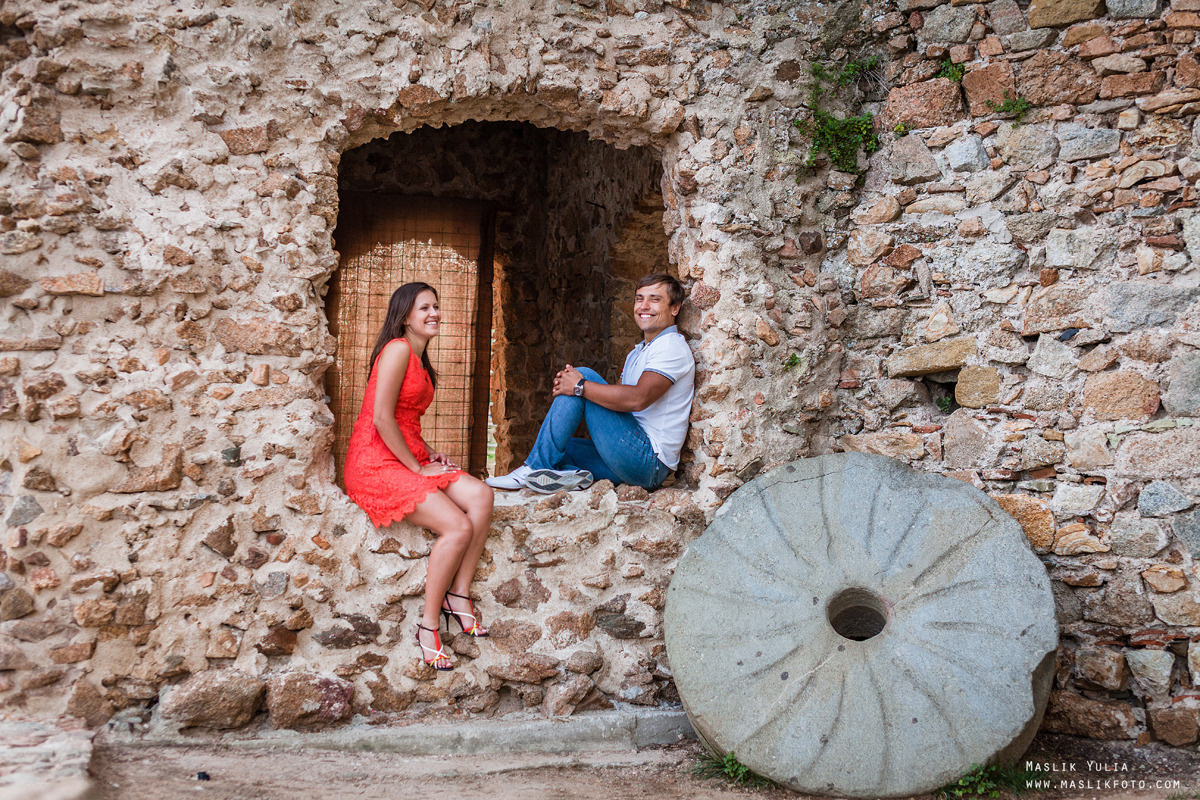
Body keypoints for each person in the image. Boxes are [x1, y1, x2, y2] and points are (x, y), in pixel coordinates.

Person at [342, 282, 494, 672]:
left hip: (406, 454)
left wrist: (426, 452)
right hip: (375, 462)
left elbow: (405, 418)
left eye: (437, 307)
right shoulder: (396, 349)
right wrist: (416, 466)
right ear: (404, 315)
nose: (434, 314)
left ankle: (458, 594)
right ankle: (428, 625)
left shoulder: (419, 357)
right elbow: (380, 418)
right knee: (457, 527)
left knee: (481, 495)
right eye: (424, 308)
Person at [487, 273, 695, 494]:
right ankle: (572, 476)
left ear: (674, 308)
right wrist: (578, 387)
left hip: (648, 462)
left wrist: (578, 386)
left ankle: (535, 468)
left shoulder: (672, 346)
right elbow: (613, 400)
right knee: (560, 447)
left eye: (655, 299)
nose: (644, 306)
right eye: (639, 298)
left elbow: (637, 399)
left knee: (583, 376)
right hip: (627, 453)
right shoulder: (638, 352)